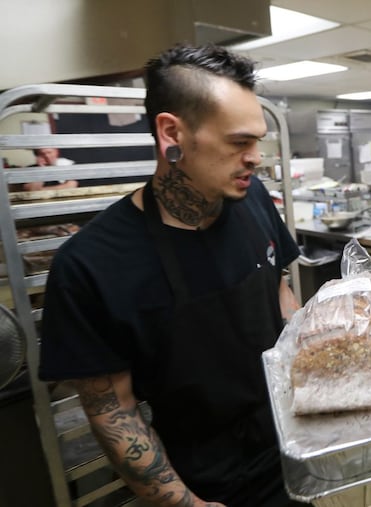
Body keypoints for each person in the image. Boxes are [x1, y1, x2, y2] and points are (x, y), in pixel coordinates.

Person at [38, 44, 304, 507]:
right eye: (239, 142)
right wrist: (183, 503)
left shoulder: (254, 199)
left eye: (258, 141)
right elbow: (111, 409)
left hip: (297, 441)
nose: (256, 158)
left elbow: (279, 291)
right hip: (207, 481)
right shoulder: (91, 265)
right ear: (171, 133)